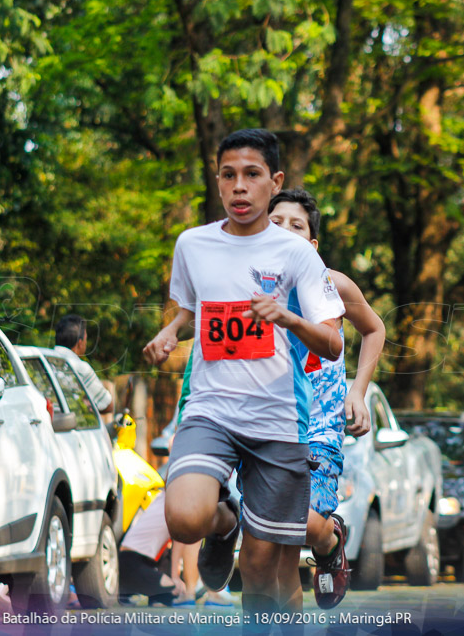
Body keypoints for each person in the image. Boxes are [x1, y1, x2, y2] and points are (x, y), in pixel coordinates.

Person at [143, 128, 345, 614]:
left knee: (261, 573)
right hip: (210, 410)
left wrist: (288, 317)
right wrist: (171, 332)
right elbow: (194, 309)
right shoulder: (192, 245)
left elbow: (334, 342)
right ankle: (224, 523)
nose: (239, 186)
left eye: (251, 175)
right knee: (185, 520)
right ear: (217, 183)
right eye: (228, 175)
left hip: (278, 419)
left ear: (273, 182)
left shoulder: (297, 254)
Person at [268, 189, 384, 608]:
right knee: (275, 549)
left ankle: (330, 541)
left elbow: (375, 329)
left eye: (296, 225)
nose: (284, 231)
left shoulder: (333, 284)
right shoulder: (247, 287)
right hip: (269, 427)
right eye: (275, 222)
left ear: (312, 245)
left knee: (298, 526)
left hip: (320, 428)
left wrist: (358, 392)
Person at [54, 314, 114, 414]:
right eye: (86, 339)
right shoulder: (80, 367)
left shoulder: (43, 361)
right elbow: (107, 405)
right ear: (80, 343)